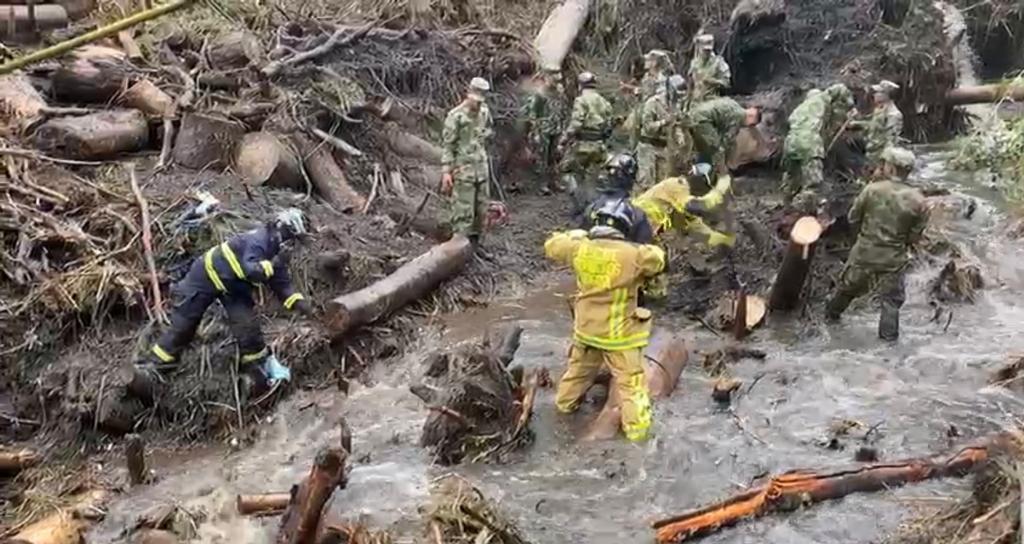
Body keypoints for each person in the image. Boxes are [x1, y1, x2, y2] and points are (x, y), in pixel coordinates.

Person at [132, 209, 313, 399]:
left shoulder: (275, 254)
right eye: (293, 240)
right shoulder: (258, 239)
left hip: (234, 287)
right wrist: (273, 264)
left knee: (248, 328)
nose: (293, 247)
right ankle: (152, 369)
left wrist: (299, 303)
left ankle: (254, 374)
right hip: (205, 276)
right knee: (183, 327)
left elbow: (282, 284)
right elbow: (250, 270)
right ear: (284, 231)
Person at [544, 200, 666, 442]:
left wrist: (576, 234)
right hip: (619, 336)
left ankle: (563, 411)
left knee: (576, 374)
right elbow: (658, 259)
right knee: (631, 385)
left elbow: (551, 245)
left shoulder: (579, 248)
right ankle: (638, 435)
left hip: (587, 330)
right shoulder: (634, 255)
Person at [825, 147, 928, 341]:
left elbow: (853, 218)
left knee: (846, 290)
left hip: (864, 252)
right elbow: (914, 237)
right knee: (890, 302)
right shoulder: (919, 201)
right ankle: (888, 346)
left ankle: (829, 320)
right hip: (893, 259)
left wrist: (861, 239)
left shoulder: (871, 190)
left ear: (890, 167)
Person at [781, 83, 854, 212]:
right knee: (813, 185)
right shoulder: (825, 103)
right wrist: (849, 113)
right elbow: (838, 117)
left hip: (791, 140)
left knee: (791, 176)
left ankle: (786, 206)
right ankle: (798, 212)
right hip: (809, 142)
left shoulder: (802, 107)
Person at [441, 77, 495, 243]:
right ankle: (458, 248)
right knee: (463, 213)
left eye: (480, 101)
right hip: (464, 171)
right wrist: (446, 173)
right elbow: (448, 146)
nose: (477, 104)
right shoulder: (456, 116)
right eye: (475, 100)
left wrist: (485, 135)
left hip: (481, 169)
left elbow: (489, 130)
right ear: (468, 94)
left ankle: (477, 247)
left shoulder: (484, 112)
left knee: (482, 210)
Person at [559, 71, 614, 216]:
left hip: (582, 145)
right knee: (594, 177)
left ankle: (579, 204)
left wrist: (564, 139)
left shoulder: (581, 100)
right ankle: (595, 206)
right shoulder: (603, 101)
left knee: (567, 170)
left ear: (580, 85)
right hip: (599, 145)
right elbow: (610, 124)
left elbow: (577, 123)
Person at [583, 153, 655, 243]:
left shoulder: (592, 207)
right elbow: (645, 244)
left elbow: (582, 235)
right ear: (631, 181)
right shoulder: (637, 214)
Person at [520, 69, 567, 192]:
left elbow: (562, 110)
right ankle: (543, 184)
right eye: (554, 80)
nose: (556, 83)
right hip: (543, 130)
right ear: (547, 78)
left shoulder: (559, 92)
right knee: (543, 157)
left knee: (554, 157)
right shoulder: (540, 94)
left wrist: (563, 127)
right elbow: (533, 114)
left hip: (556, 128)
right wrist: (534, 131)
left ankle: (554, 182)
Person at [636, 75, 687, 188]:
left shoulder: (676, 106)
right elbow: (647, 127)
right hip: (648, 146)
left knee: (662, 184)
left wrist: (680, 136)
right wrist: (663, 122)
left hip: (663, 147)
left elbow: (676, 123)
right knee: (646, 182)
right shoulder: (653, 103)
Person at [686, 96, 761, 174]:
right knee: (717, 153)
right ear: (751, 118)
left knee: (711, 145)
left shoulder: (733, 103)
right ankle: (695, 173)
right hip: (702, 120)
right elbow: (726, 140)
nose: (746, 126)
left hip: (696, 111)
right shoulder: (737, 119)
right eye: (750, 124)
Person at [859, 80, 903, 168]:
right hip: (872, 153)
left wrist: (884, 164)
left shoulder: (893, 114)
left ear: (886, 95)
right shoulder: (880, 110)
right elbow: (871, 125)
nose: (874, 95)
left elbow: (891, 141)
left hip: (880, 158)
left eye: (877, 92)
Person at [687, 33, 731, 103]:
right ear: (699, 48)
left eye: (708, 51)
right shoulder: (694, 63)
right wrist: (688, 100)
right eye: (704, 50)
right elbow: (691, 83)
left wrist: (713, 81)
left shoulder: (719, 63)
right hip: (696, 101)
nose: (706, 53)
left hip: (712, 101)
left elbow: (727, 83)